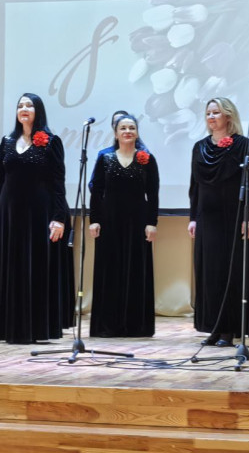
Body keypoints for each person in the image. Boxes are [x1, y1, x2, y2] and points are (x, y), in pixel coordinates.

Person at [0, 93, 70, 344]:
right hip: (9, 213)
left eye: (29, 105)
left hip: (39, 212)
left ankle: (37, 328)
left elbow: (58, 182)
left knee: (37, 265)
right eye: (20, 105)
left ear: (38, 111)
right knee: (11, 265)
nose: (24, 109)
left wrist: (59, 217)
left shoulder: (51, 141)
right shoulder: (7, 141)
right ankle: (9, 327)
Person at [188, 98, 249, 348]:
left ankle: (229, 329)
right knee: (209, 272)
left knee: (229, 272)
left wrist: (247, 216)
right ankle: (213, 327)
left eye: (216, 112)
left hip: (232, 216)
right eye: (208, 113)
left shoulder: (243, 145)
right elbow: (195, 186)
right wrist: (193, 217)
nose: (211, 117)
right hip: (207, 217)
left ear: (228, 116)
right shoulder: (199, 147)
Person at [88, 114, 159, 337]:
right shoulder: (105, 158)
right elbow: (96, 191)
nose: (127, 131)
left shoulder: (147, 158)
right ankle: (108, 325)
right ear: (116, 133)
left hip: (138, 222)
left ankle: (136, 326)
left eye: (131, 128)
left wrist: (152, 223)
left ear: (137, 132)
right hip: (109, 221)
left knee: (136, 270)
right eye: (123, 128)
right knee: (109, 270)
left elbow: (153, 194)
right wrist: (94, 220)